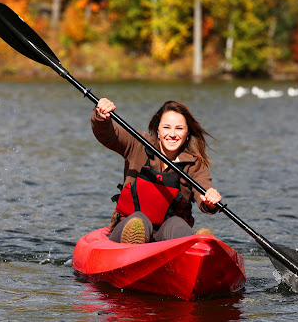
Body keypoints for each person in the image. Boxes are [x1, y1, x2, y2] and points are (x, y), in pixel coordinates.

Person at [92, 98, 222, 244]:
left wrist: (210, 199)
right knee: (139, 220)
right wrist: (101, 117)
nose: (172, 134)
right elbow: (108, 135)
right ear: (158, 129)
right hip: (126, 229)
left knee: (176, 224)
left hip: (166, 239)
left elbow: (203, 191)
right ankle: (134, 243)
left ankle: (198, 244)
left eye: (179, 128)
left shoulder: (194, 164)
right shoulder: (138, 143)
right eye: (166, 127)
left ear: (187, 133)